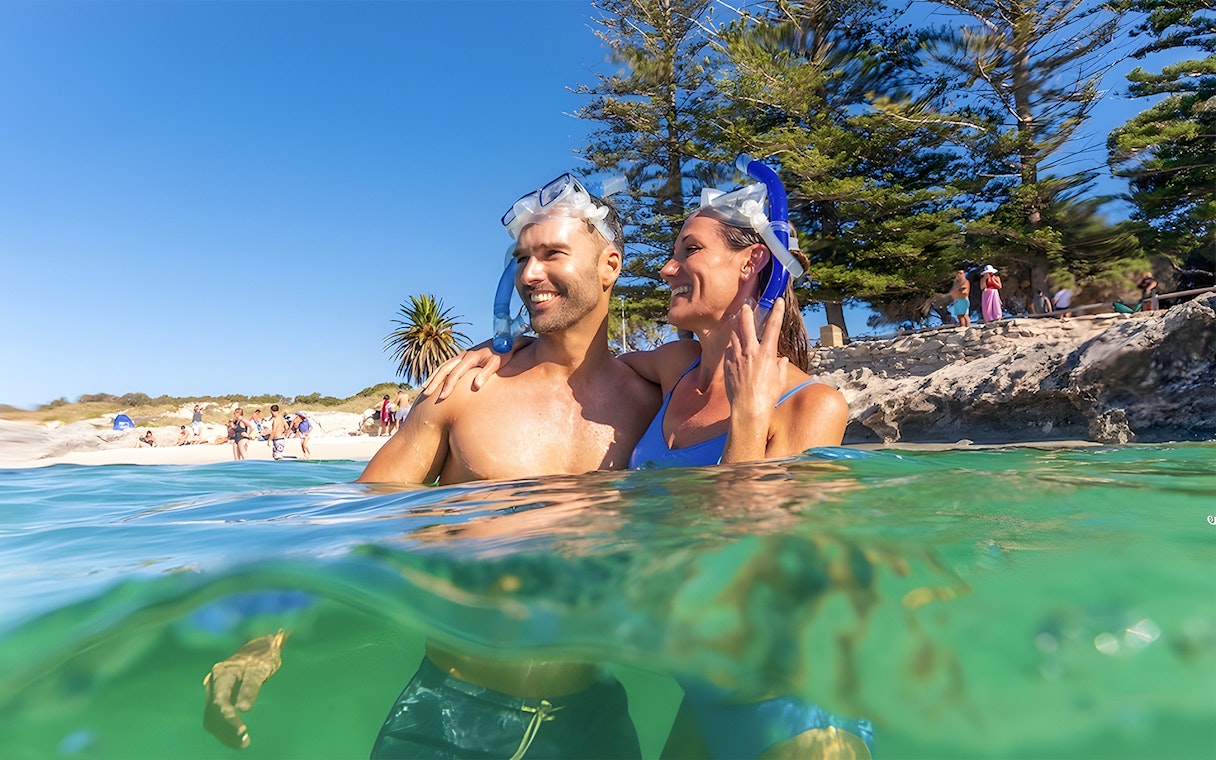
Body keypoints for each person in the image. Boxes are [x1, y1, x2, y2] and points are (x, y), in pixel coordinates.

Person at [206, 174, 659, 758]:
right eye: (521, 257)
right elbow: (353, 517)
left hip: (592, 717)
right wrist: (260, 639)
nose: (528, 274)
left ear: (609, 266)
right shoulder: (465, 391)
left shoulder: (654, 400)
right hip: (451, 711)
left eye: (552, 254)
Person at [427, 178, 863, 757]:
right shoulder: (674, 368)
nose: (666, 268)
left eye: (689, 250)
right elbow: (577, 354)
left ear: (753, 260)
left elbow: (745, 575)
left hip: (793, 701)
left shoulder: (812, 405)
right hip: (703, 691)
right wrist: (501, 345)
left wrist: (748, 421)